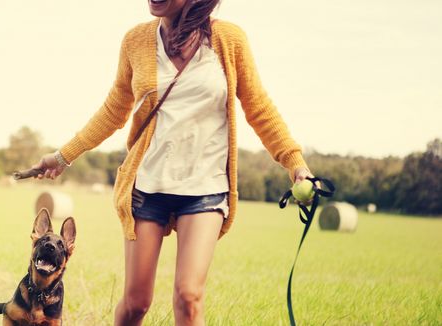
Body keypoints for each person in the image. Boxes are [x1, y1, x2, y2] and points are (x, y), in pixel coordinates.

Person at [33, 0, 315, 324]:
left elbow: (259, 108)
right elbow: (114, 110)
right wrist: (63, 156)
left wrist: (296, 164)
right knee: (136, 302)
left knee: (189, 296)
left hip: (205, 188)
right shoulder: (136, 41)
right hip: (147, 185)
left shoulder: (229, 40)